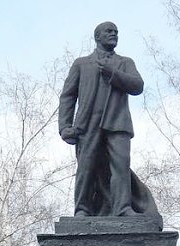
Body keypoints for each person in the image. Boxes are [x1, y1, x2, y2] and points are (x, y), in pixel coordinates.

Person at [58, 21, 161, 220]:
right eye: (109, 31)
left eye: (116, 32)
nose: (114, 34)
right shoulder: (81, 64)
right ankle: (82, 209)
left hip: (117, 122)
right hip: (87, 125)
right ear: (97, 37)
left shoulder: (125, 62)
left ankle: (123, 208)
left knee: (120, 166)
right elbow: (68, 96)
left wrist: (113, 74)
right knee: (86, 166)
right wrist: (64, 127)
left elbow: (137, 86)